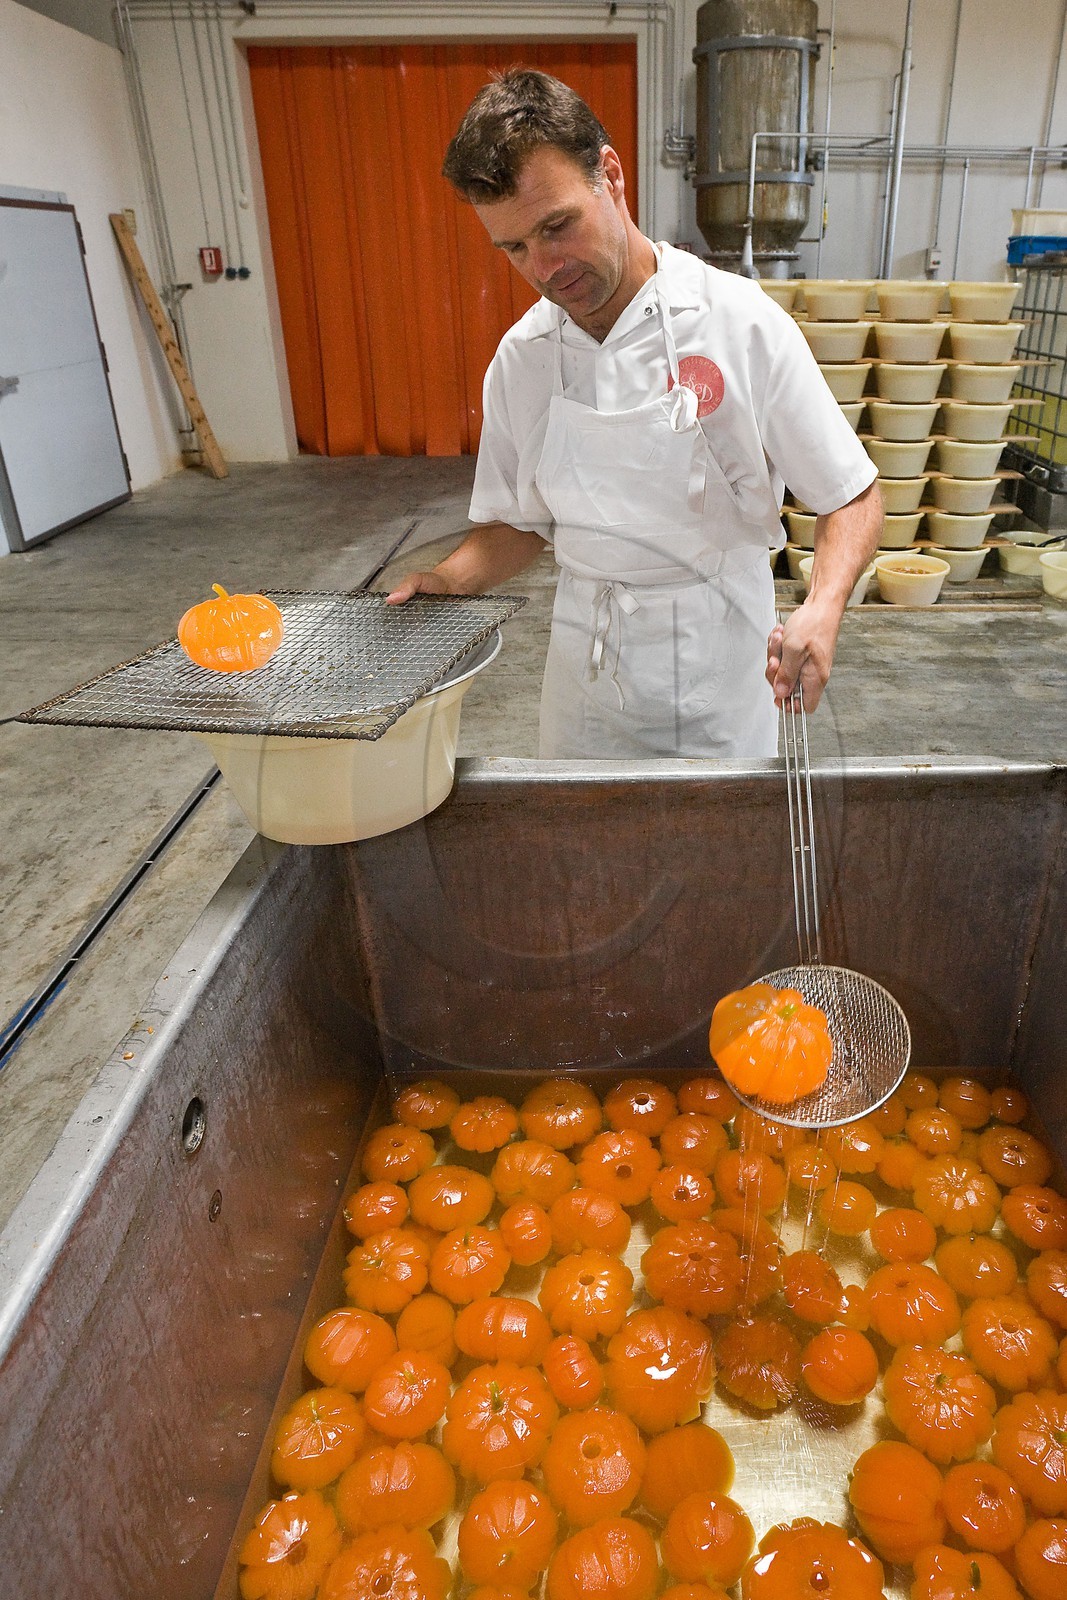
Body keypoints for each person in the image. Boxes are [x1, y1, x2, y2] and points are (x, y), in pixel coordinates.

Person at [387, 69, 883, 758]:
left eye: (557, 226)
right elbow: (518, 523)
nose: (544, 267)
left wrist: (823, 604)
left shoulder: (736, 324)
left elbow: (850, 495)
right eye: (515, 248)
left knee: (722, 832)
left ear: (611, 176)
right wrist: (449, 581)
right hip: (586, 685)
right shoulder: (524, 359)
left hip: (721, 677)